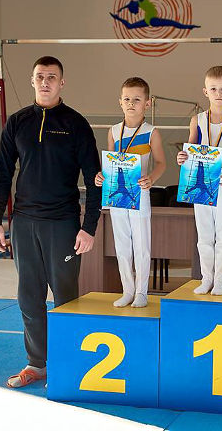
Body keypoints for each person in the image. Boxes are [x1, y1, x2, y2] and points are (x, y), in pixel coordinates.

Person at [0, 56, 101, 388]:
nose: (45, 82)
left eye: (52, 77)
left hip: (63, 223)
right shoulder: (17, 122)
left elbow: (94, 178)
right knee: (29, 297)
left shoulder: (76, 123)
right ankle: (36, 364)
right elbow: (2, 174)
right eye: (40, 76)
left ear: (61, 83)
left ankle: (67, 366)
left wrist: (89, 226)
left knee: (66, 298)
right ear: (32, 80)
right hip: (24, 223)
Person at [176, 66, 222, 295]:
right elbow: (190, 147)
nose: (219, 93)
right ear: (205, 91)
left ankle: (220, 280)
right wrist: (182, 157)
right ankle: (206, 278)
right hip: (200, 176)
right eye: (214, 89)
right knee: (204, 234)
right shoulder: (197, 120)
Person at [94, 77, 166, 307]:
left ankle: (142, 292)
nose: (131, 103)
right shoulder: (114, 131)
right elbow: (110, 163)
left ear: (147, 103)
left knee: (141, 244)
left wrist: (151, 178)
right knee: (122, 244)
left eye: (136, 99)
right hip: (117, 194)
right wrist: (101, 176)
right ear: (120, 102)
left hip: (140, 192)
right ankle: (127, 290)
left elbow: (161, 163)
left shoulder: (151, 132)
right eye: (127, 99)